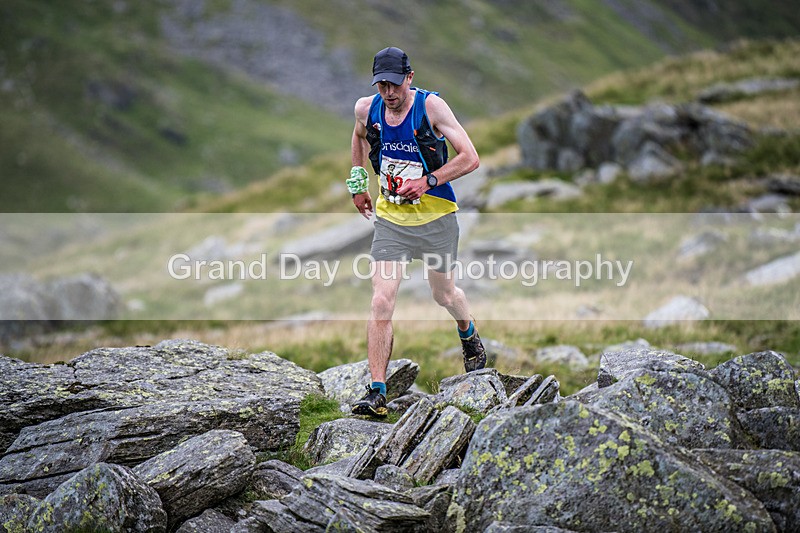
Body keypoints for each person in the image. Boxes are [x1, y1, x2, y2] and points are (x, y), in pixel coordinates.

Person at [347, 46, 487, 418]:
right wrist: (358, 182)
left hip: (437, 218)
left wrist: (428, 181)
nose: (389, 93)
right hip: (392, 220)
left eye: (394, 84)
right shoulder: (367, 108)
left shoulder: (431, 108)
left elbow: (470, 157)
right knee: (381, 300)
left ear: (409, 78)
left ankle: (468, 332)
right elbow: (359, 137)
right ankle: (377, 392)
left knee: (443, 294)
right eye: (382, 85)